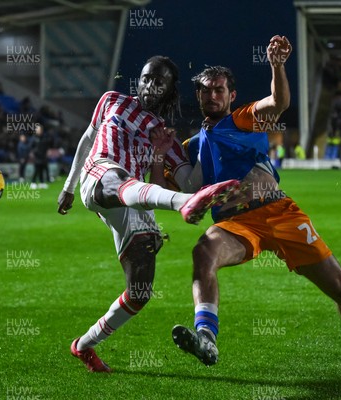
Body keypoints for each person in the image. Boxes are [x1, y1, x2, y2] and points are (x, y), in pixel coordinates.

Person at [171, 35, 341, 367]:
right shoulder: (190, 146)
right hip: (234, 224)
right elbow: (169, 191)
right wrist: (156, 152)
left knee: (340, 288)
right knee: (203, 251)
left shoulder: (241, 119)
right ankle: (207, 340)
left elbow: (278, 103)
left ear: (231, 95)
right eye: (206, 90)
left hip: (280, 213)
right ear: (198, 94)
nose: (212, 95)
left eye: (219, 89)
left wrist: (277, 65)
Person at [57, 55, 242, 373]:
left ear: (170, 90)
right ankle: (182, 204)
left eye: (159, 81)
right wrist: (68, 187)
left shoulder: (164, 137)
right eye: (145, 78)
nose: (149, 85)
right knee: (121, 178)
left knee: (139, 292)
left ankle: (84, 345)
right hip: (99, 176)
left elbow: (189, 182)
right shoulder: (111, 100)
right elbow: (89, 139)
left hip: (132, 201)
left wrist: (207, 138)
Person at [30, 124, 50, 189]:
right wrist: (33, 152)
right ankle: (33, 182)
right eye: (37, 129)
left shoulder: (44, 138)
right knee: (36, 170)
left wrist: (47, 152)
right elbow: (30, 147)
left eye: (40, 129)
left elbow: (46, 146)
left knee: (42, 169)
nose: (39, 131)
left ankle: (41, 183)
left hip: (43, 156)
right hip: (36, 156)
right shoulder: (33, 138)